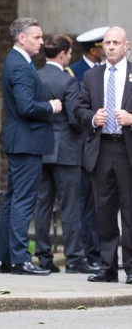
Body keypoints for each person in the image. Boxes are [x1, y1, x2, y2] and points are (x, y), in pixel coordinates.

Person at [0, 17, 62, 276]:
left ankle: (4, 259)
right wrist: (51, 107)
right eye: (37, 37)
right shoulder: (20, 65)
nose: (42, 42)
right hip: (26, 143)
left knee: (12, 201)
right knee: (23, 201)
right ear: (21, 38)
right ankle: (20, 260)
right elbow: (26, 106)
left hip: (20, 141)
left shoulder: (17, 61)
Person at [74, 26, 132, 284]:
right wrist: (92, 118)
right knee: (104, 211)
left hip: (127, 147)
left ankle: (131, 267)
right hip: (101, 148)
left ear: (126, 46)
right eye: (107, 42)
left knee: (129, 210)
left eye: (115, 42)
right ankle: (108, 267)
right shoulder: (92, 76)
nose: (110, 46)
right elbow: (79, 108)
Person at [34, 34, 95, 274]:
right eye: (69, 53)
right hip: (67, 150)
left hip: (41, 147)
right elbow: (74, 117)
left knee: (43, 205)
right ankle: (73, 259)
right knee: (69, 206)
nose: (71, 57)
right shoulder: (68, 81)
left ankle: (43, 257)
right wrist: (89, 125)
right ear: (62, 54)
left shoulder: (36, 76)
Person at [66, 26, 109, 272]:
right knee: (85, 199)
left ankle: (99, 250)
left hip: (108, 143)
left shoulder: (108, 72)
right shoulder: (76, 72)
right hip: (85, 143)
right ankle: (85, 248)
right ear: (95, 50)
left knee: (100, 200)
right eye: (105, 46)